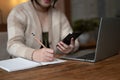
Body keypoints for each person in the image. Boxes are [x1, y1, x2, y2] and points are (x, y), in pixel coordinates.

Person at [7, 0, 79, 62]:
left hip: (53, 66)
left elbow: (74, 42)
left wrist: (70, 47)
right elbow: (12, 44)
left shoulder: (59, 14)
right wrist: (33, 54)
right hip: (24, 68)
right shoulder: (18, 12)